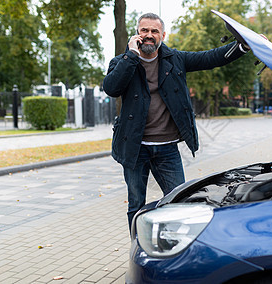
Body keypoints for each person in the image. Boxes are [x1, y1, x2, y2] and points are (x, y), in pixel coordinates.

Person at [103, 12, 249, 229]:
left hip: (167, 149)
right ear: (137, 34)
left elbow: (209, 58)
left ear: (163, 34)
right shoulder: (123, 61)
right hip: (135, 148)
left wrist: (242, 47)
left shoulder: (175, 59)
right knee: (136, 203)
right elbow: (111, 88)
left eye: (154, 31)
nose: (149, 35)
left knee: (180, 201)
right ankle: (138, 245)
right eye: (144, 30)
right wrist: (131, 56)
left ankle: (174, 246)